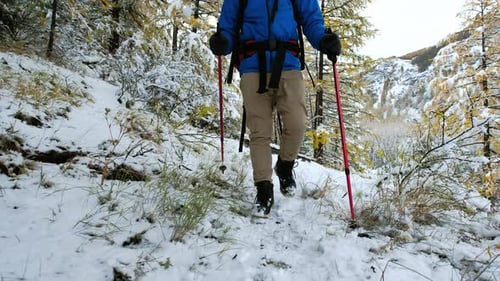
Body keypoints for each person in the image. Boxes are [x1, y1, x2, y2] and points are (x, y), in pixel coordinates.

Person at [208, 0, 341, 216]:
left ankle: (285, 167)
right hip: (252, 66)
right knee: (260, 132)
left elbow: (311, 20)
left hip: (288, 63)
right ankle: (263, 189)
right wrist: (223, 41)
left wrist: (324, 40)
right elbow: (228, 26)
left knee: (297, 124)